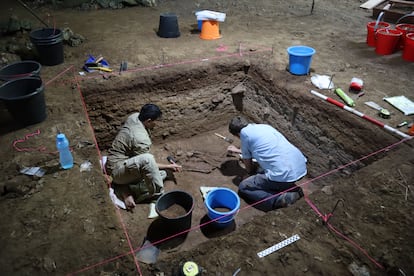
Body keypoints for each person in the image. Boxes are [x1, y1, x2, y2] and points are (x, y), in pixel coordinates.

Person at [106, 104, 182, 210]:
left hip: (115, 161)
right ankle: (156, 196)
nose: (157, 124)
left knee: (162, 173)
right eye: (156, 121)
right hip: (116, 171)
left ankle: (124, 189)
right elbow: (146, 163)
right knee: (150, 161)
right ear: (149, 121)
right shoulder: (141, 139)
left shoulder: (135, 116)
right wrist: (168, 166)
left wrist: (166, 167)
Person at [227, 116, 307, 212]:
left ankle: (281, 199)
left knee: (244, 187)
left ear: (237, 134)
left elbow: (248, 165)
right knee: (261, 168)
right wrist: (238, 150)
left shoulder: (244, 135)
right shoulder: (264, 127)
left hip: (285, 174)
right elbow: (263, 148)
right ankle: (289, 187)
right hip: (300, 167)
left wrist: (248, 174)